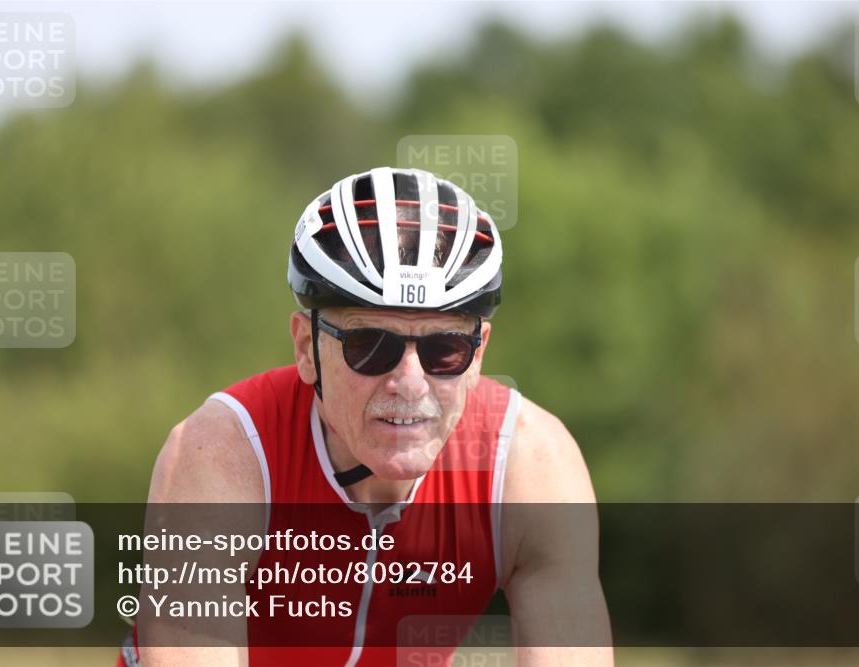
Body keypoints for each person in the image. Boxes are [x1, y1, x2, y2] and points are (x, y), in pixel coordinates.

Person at [119, 167, 613, 666]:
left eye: (445, 350)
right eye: (371, 346)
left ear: (479, 355)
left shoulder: (530, 463)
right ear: (306, 348)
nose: (410, 382)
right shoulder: (222, 454)